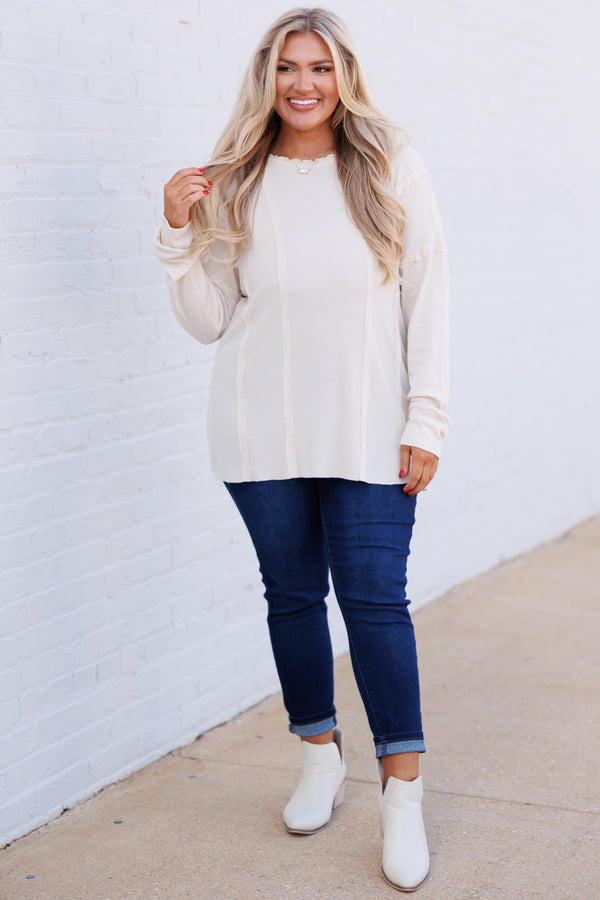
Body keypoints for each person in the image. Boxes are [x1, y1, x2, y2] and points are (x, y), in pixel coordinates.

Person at [154, 7, 449, 892]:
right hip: (260, 428)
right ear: (267, 77)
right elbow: (209, 319)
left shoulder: (391, 162)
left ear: (343, 75)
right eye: (288, 68)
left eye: (320, 67)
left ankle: (403, 798)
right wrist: (177, 232)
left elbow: (429, 294)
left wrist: (425, 420)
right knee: (290, 597)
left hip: (369, 428)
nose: (304, 84)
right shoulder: (235, 177)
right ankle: (319, 755)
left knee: (375, 604)